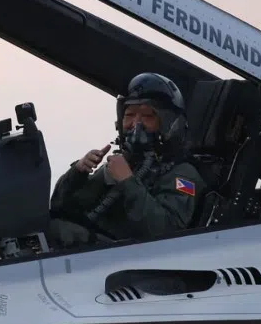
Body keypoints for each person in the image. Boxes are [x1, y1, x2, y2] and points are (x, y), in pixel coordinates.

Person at [48, 72, 206, 246]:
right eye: (129, 115)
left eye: (147, 116)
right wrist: (77, 173)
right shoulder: (123, 164)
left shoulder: (182, 175)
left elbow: (166, 232)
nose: (135, 124)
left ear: (169, 124)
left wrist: (127, 181)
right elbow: (59, 208)